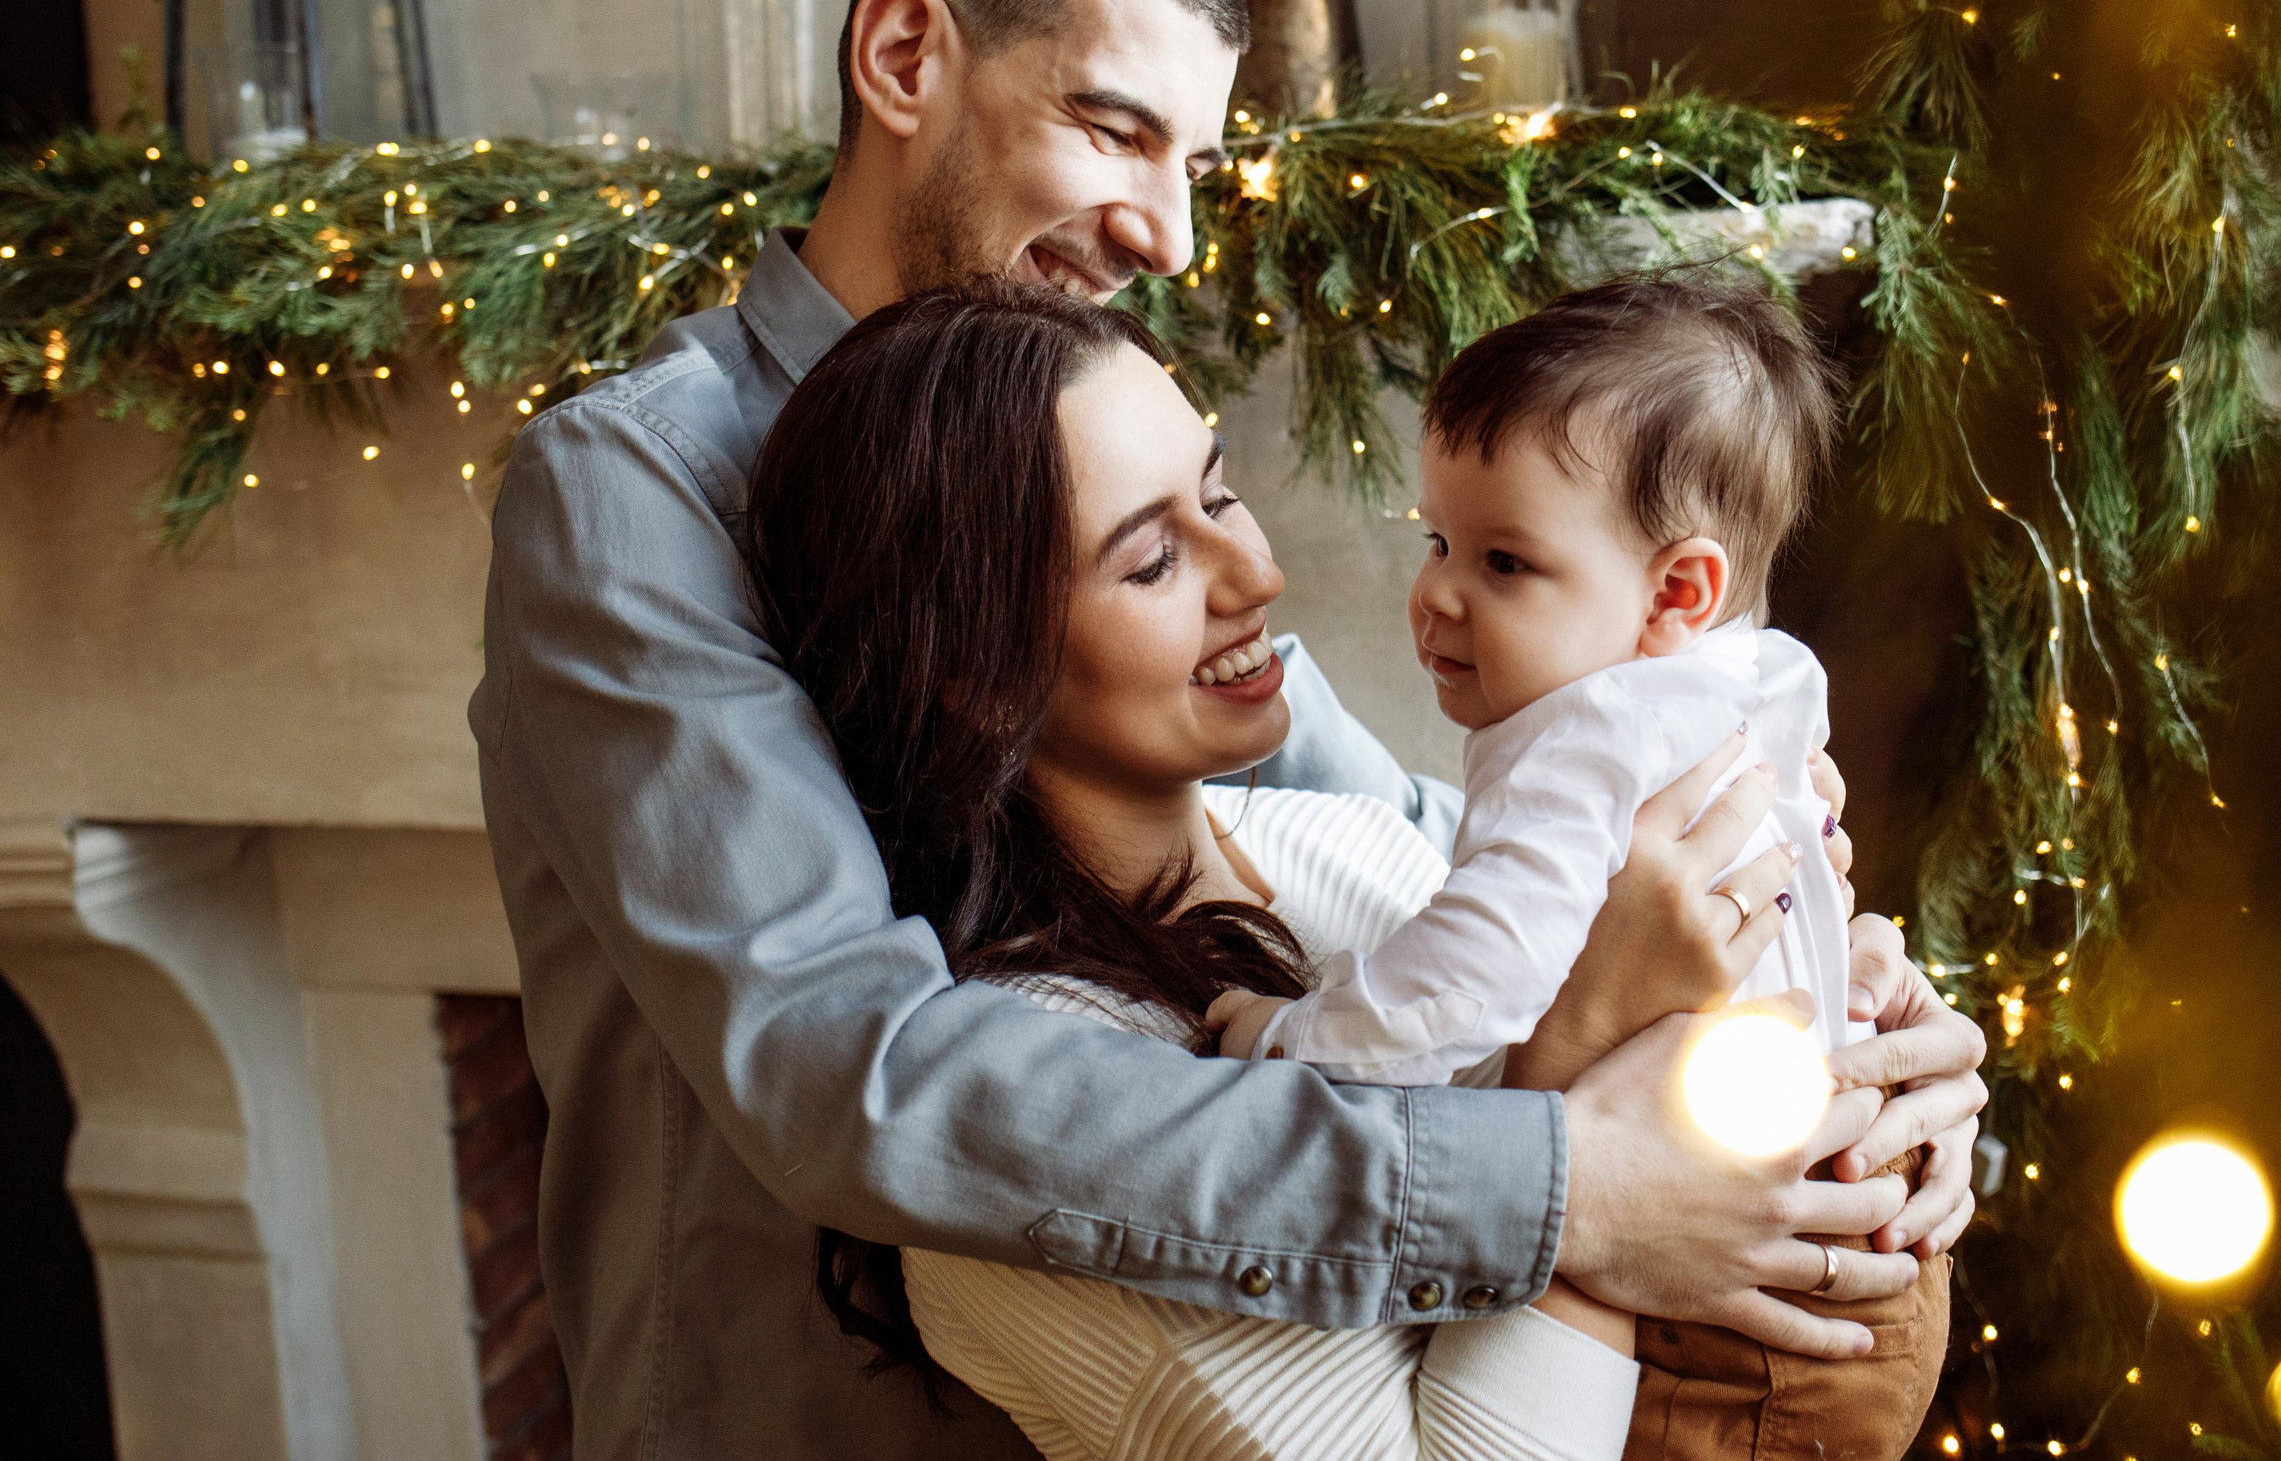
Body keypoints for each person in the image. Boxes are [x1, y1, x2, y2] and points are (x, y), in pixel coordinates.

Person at [470, 0, 1986, 1459]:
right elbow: (850, 1066)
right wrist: (1577, 1187)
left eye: (1194, 160)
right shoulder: (635, 481)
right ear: (906, 54)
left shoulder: (1094, 434)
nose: (1172, 240)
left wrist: (1855, 1028)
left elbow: (1436, 842)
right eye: (1117, 130)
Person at [743, 277, 1885, 1458]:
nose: (1253, 578)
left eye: (1221, 495)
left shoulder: (1354, 843)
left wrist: (1871, 1035)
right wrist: (1596, 1173)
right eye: (1151, 564)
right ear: (977, 674)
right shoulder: (1049, 1132)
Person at [1208, 272, 1950, 1459]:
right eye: (1439, 540)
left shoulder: (1588, 738)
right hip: (1839, 1228)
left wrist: (1282, 1038)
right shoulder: (1748, 675)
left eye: (1505, 564)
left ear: (1675, 591)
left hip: (1751, 1313)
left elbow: (1464, 985)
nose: (1436, 594)